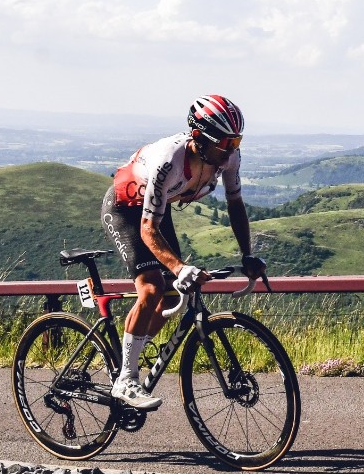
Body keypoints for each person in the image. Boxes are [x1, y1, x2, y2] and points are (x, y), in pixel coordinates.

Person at [101, 94, 266, 409]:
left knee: (174, 296)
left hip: (157, 211)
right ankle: (126, 379)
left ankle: (130, 351)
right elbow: (147, 230)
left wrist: (247, 255)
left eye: (236, 142)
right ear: (199, 138)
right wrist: (178, 268)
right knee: (151, 289)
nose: (231, 151)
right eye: (224, 143)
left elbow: (235, 203)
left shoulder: (229, 157)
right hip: (126, 209)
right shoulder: (170, 160)